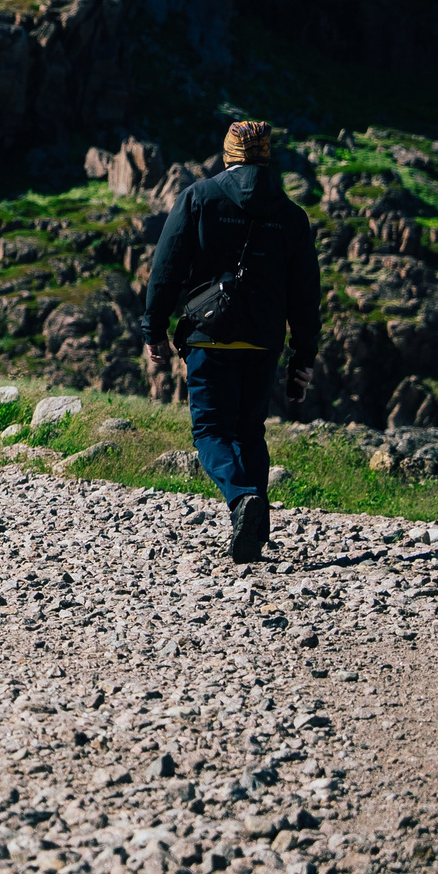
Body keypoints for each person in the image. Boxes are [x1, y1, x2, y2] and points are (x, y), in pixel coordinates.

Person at [144, 119, 322, 564]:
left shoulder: (198, 198)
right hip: (263, 342)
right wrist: (304, 355)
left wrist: (154, 329)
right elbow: (305, 294)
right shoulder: (291, 215)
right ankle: (253, 526)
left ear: (227, 154)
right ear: (266, 156)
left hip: (209, 337)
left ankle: (243, 499)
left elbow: (166, 267)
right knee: (249, 433)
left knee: (210, 433)